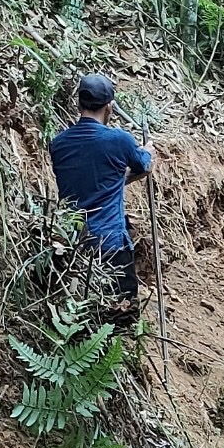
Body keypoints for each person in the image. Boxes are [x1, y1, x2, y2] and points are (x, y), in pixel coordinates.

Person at [49, 72, 152, 323]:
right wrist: (148, 151)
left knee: (82, 316)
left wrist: (117, 177)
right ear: (110, 107)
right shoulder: (119, 140)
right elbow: (143, 166)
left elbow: (91, 179)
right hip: (110, 244)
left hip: (73, 246)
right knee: (121, 315)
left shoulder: (58, 144)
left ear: (78, 104)